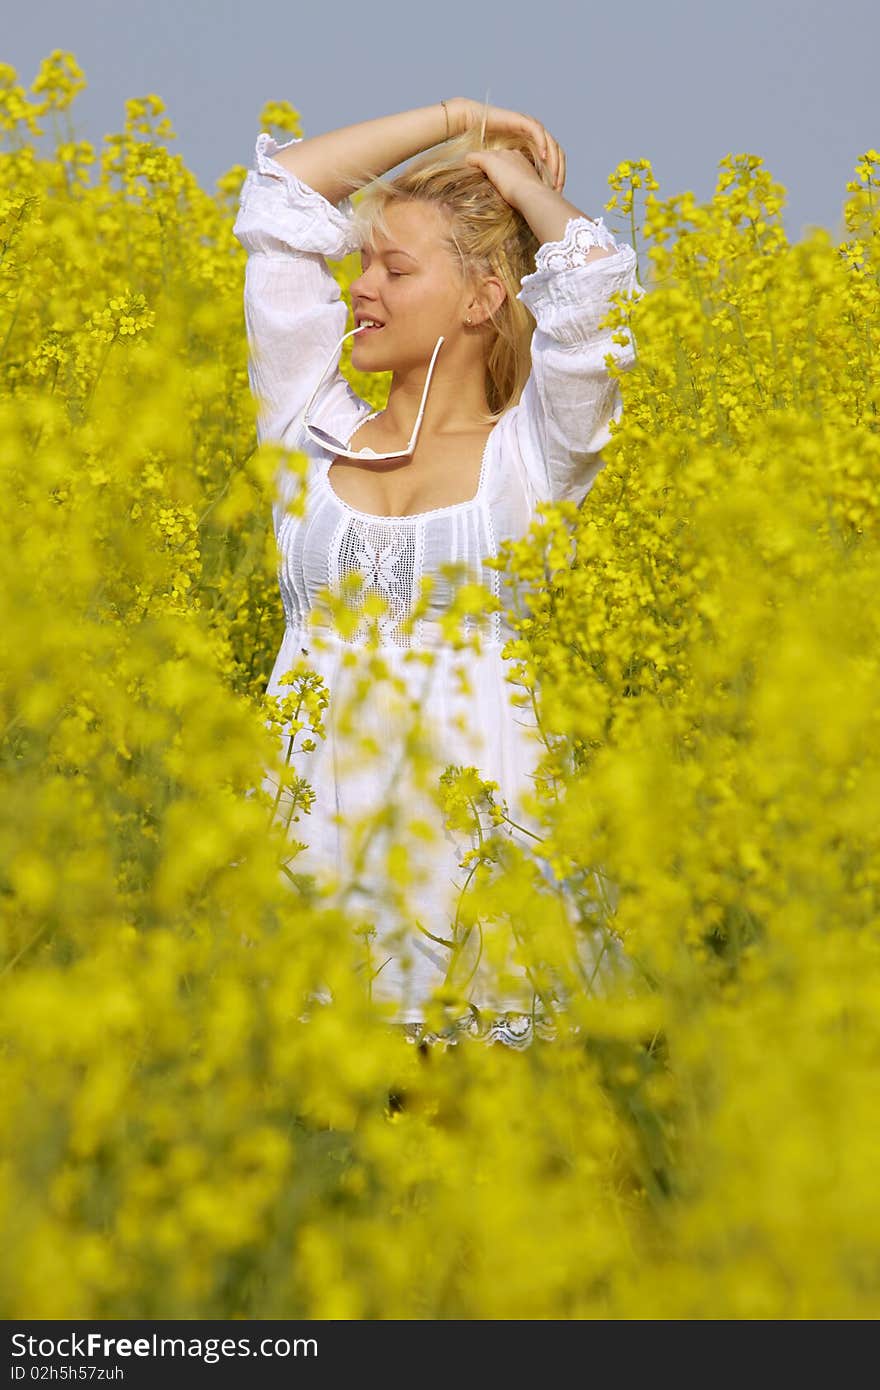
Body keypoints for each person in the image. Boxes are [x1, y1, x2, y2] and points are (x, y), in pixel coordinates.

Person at [232, 98, 643, 1050]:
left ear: (481, 298)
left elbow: (596, 295)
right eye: (363, 261)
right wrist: (459, 116)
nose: (360, 287)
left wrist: (517, 183)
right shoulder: (307, 429)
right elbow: (285, 197)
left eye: (395, 267)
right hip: (311, 857)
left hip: (479, 874)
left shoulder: (532, 459)